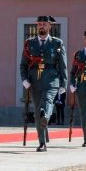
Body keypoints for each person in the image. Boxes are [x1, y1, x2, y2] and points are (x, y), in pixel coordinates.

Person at [19, 15, 68, 152]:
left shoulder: (57, 43)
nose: (41, 26)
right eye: (39, 24)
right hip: (35, 80)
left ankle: (45, 115)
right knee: (36, 112)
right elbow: (23, 64)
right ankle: (42, 143)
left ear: (49, 26)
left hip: (52, 79)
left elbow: (63, 65)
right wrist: (24, 79)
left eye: (44, 24)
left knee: (47, 103)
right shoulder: (29, 43)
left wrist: (64, 83)